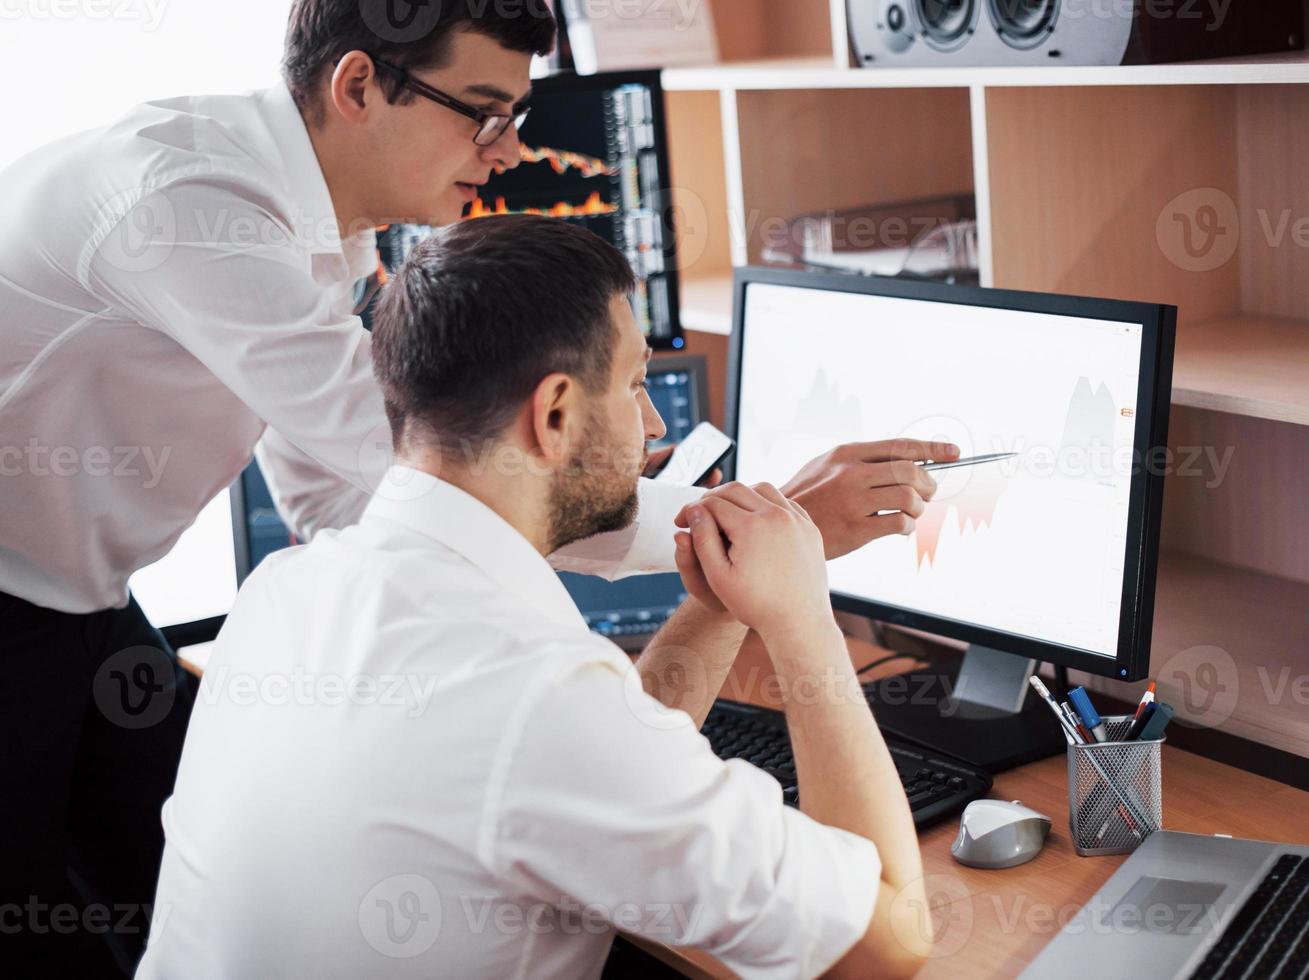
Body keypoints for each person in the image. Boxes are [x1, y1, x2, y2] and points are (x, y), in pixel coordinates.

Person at [0, 2, 954, 973]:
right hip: (8, 606)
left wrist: (721, 580)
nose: (504, 155)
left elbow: (357, 503)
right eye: (484, 114)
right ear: (359, 86)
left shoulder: (288, 600)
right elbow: (406, 463)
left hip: (83, 595)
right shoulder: (191, 205)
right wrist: (769, 552)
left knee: (136, 892)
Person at [136, 214, 936, 979]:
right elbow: (888, 941)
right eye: (634, 385)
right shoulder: (540, 694)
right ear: (554, 414)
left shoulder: (285, 592)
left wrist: (725, 600)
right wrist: (802, 621)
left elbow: (606, 764)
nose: (654, 423)